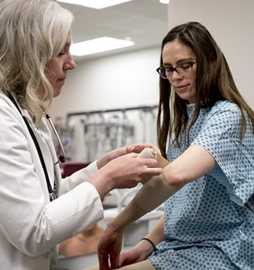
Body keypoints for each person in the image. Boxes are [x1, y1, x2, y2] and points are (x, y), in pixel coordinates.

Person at [0, 1, 163, 269]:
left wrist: (101, 167)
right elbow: (34, 231)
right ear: (29, 55)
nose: (72, 63)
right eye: (61, 52)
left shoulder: (31, 117)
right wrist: (109, 177)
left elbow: (51, 198)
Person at [88, 22, 254, 270]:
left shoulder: (228, 116)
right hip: (182, 247)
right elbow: (184, 199)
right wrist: (147, 244)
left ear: (210, 60)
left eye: (185, 66)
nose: (175, 76)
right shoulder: (186, 124)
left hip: (223, 250)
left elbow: (175, 176)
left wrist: (116, 225)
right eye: (168, 69)